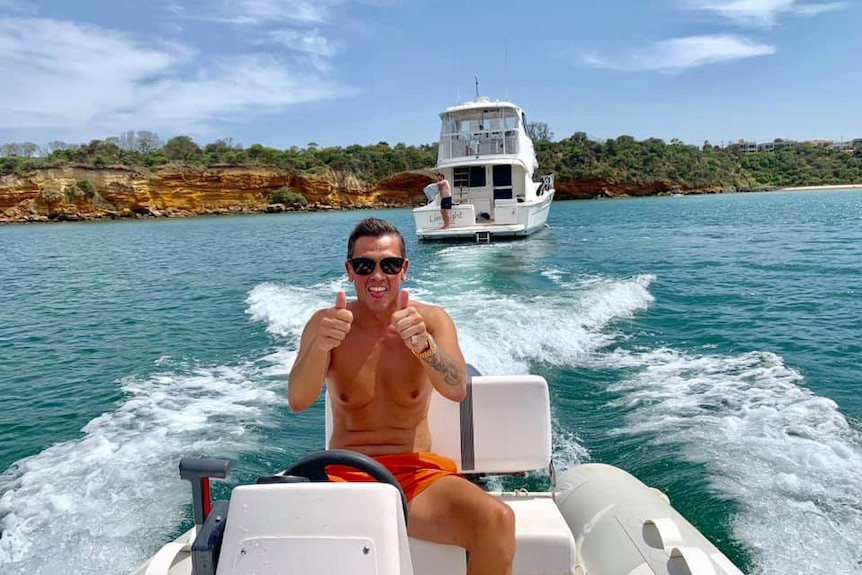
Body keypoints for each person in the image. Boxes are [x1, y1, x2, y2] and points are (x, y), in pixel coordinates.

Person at [288, 218, 515, 575]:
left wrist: (425, 349)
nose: (377, 276)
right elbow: (298, 400)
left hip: (415, 477)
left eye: (389, 265)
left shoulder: (432, 321)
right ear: (350, 271)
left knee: (497, 521)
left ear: (404, 270)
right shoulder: (327, 324)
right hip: (344, 475)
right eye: (365, 265)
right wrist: (320, 347)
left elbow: (456, 389)